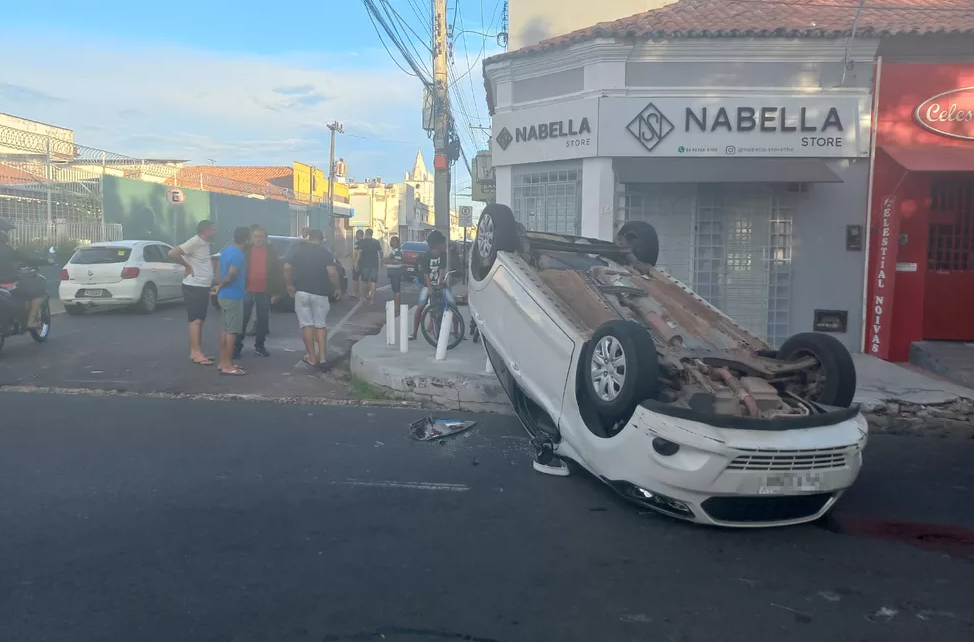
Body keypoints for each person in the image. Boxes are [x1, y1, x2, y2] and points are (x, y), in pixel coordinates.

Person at [284, 229, 340, 369]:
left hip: (302, 292)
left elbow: (286, 267)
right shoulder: (325, 252)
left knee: (306, 325)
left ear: (309, 238)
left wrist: (289, 284)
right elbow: (332, 273)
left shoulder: (298, 251)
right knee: (320, 325)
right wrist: (337, 287)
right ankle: (322, 358)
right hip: (321, 294)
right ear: (321, 240)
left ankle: (311, 357)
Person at [169, 220, 216, 365]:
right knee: (195, 320)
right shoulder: (195, 242)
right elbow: (172, 252)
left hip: (201, 286)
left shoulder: (204, 244)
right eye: (213, 230)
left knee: (199, 320)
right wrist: (187, 266)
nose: (215, 232)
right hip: (193, 286)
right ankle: (195, 353)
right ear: (205, 230)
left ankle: (197, 351)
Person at [234, 226, 284, 359]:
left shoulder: (271, 252)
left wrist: (278, 292)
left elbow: (278, 272)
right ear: (251, 238)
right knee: (243, 319)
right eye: (256, 236)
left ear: (265, 238)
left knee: (263, 320)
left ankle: (260, 346)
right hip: (247, 289)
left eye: (261, 236)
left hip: (264, 290)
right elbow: (237, 267)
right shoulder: (246, 250)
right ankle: (237, 347)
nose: (258, 239)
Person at [210, 227, 249, 375]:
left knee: (225, 330)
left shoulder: (227, 251)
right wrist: (221, 285)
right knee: (232, 331)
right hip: (233, 296)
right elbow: (231, 274)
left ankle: (223, 362)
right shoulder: (238, 255)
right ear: (247, 239)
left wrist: (219, 286)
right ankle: (227, 365)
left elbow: (219, 271)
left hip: (224, 296)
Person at [410, 230, 454, 340]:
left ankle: (457, 332)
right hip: (427, 284)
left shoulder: (443, 254)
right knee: (420, 307)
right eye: (443, 243)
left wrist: (440, 282)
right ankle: (414, 332)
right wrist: (430, 288)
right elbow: (425, 274)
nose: (445, 245)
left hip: (439, 284)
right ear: (436, 245)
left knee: (452, 304)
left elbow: (442, 270)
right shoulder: (426, 256)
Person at [0, 225, 46, 328]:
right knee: (38, 294)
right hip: (8, 283)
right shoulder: (9, 249)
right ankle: (30, 322)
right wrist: (46, 261)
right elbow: (27, 259)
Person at [357, 228, 382, 305]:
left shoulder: (363, 242)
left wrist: (356, 263)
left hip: (365, 264)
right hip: (374, 264)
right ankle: (372, 300)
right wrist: (381, 260)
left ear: (366, 233)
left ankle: (366, 296)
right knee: (373, 282)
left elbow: (360, 253)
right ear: (372, 233)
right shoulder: (376, 242)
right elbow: (381, 252)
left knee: (365, 281)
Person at [384, 235, 404, 315]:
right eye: (392, 241)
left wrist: (387, 261)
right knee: (395, 290)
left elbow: (397, 261)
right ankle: (396, 305)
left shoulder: (398, 251)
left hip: (396, 272)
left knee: (397, 290)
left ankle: (397, 307)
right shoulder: (395, 250)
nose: (392, 243)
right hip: (393, 272)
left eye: (394, 242)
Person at [350, 228, 365, 298]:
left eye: (356, 234)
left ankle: (356, 293)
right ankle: (365, 294)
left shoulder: (358, 243)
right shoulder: (365, 242)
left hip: (358, 263)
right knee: (365, 279)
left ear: (358, 235)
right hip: (365, 263)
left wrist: (354, 263)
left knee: (355, 278)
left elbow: (356, 253)